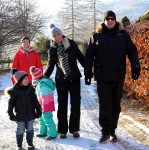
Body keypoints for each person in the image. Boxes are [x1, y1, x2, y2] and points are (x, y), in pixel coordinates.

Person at [84, 10, 141, 143]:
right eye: (108, 18)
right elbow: (89, 55)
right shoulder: (96, 35)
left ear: (115, 20)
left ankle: (112, 130)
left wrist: (136, 66)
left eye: (112, 19)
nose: (110, 21)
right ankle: (105, 132)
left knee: (116, 105)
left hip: (118, 75)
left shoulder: (123, 35)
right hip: (102, 76)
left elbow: (132, 51)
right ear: (104, 20)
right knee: (105, 105)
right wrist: (87, 71)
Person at [44, 23, 85, 139]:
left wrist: (88, 69)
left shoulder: (71, 44)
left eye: (58, 34)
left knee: (76, 103)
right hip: (61, 80)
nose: (57, 37)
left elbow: (81, 58)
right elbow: (50, 65)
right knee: (62, 105)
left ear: (61, 34)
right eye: (54, 35)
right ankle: (62, 130)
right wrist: (44, 76)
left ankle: (74, 129)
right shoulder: (52, 50)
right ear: (52, 37)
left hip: (75, 78)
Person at [7, 69, 42, 150]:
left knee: (30, 129)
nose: (28, 80)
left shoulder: (30, 88)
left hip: (30, 114)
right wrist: (11, 114)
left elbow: (35, 100)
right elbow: (11, 103)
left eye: (27, 78)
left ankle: (30, 144)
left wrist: (38, 109)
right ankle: (19, 145)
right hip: (20, 115)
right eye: (25, 79)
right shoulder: (15, 90)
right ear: (19, 81)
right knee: (20, 130)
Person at [30, 66, 58, 140]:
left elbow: (45, 97)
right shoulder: (41, 83)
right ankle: (43, 132)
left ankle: (52, 134)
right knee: (42, 118)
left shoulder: (42, 85)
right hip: (42, 105)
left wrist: (43, 106)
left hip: (46, 105)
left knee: (47, 118)